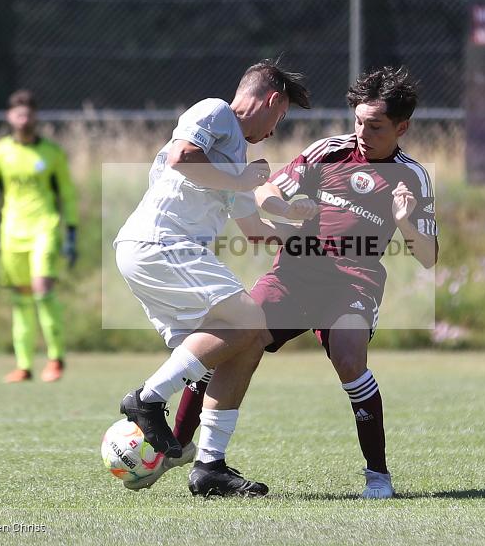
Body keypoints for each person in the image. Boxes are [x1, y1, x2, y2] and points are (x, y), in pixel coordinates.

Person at [168, 66, 438, 499]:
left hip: (354, 282)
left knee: (350, 359)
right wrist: (286, 209)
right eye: (358, 121)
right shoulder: (328, 152)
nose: (362, 132)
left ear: (402, 127)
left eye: (375, 125)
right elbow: (264, 193)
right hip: (293, 274)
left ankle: (378, 476)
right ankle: (178, 446)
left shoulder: (412, 177)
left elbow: (428, 257)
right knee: (236, 339)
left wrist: (406, 224)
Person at [113, 60, 313, 496]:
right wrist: (241, 177)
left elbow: (255, 231)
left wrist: (307, 233)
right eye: (279, 119)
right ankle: (146, 400)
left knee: (247, 342)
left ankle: (209, 467)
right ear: (271, 100)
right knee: (250, 322)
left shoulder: (236, 156)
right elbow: (184, 157)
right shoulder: (216, 110)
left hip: (162, 255)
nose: (274, 132)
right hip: (159, 244)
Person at [0, 89, 79, 383]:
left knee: (43, 290)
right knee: (21, 299)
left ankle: (56, 359)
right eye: (18, 113)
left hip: (44, 227)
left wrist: (71, 231)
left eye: (29, 113)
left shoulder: (51, 153)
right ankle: (24, 365)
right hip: (12, 232)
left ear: (35, 117)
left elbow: (66, 194)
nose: (24, 118)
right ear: (9, 117)